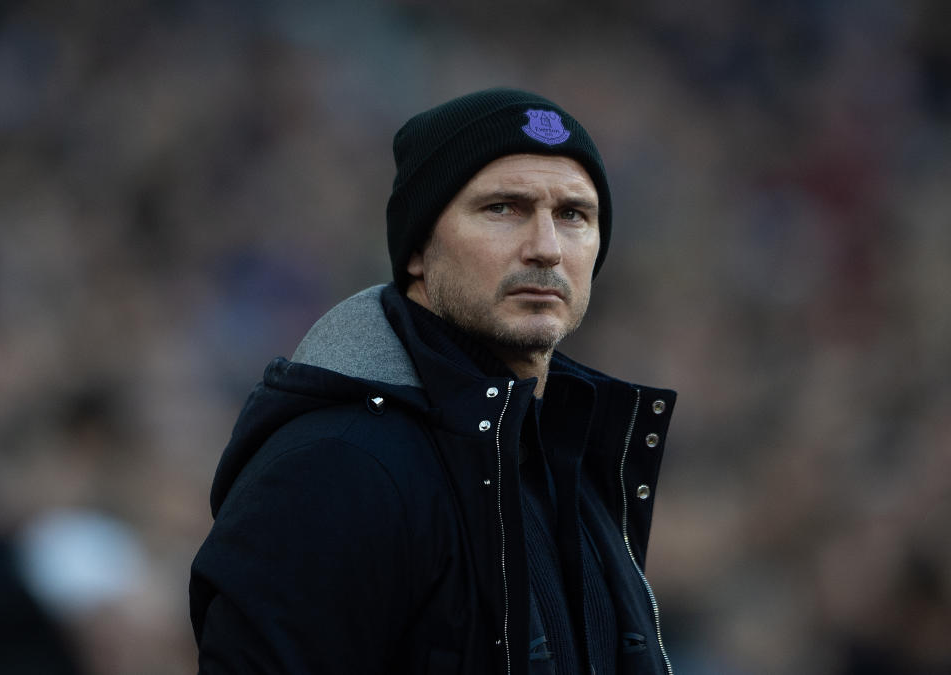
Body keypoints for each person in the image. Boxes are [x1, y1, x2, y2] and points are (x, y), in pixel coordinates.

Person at [190, 88, 677, 675]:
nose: (547, 248)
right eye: (504, 208)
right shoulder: (335, 465)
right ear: (418, 247)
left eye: (573, 214)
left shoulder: (570, 458)